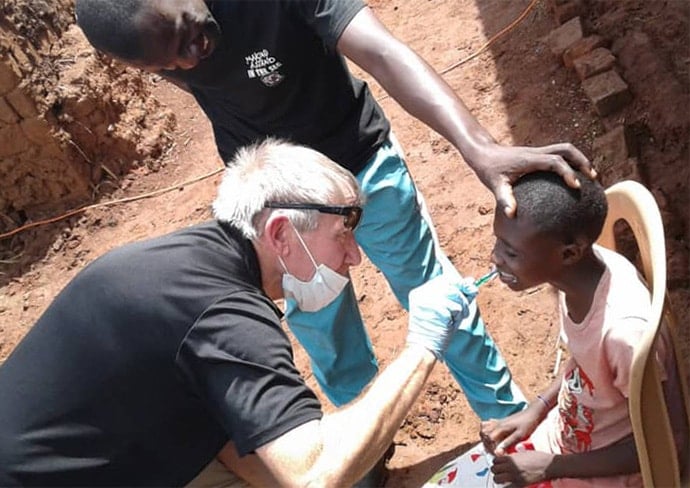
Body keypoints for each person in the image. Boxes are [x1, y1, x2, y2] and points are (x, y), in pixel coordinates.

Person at [74, 0, 595, 416]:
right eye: (166, 62)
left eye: (186, 34)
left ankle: (505, 418)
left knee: (435, 297)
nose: (190, 59)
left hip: (362, 165)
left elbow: (383, 52)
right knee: (325, 331)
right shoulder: (156, 40)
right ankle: (365, 444)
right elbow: (179, 58)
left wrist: (478, 146)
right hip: (276, 206)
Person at [0, 138, 480, 486]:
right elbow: (313, 476)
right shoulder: (224, 312)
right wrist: (423, 344)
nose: (354, 256)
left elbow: (230, 432)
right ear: (279, 234)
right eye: (341, 235)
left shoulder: (196, 259)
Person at [480, 171, 689, 487]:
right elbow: (585, 362)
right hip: (567, 441)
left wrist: (552, 467)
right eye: (499, 242)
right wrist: (537, 409)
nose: (495, 258)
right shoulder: (579, 277)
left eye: (511, 252)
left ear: (568, 253)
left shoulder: (623, 334)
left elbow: (667, 444)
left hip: (606, 472)